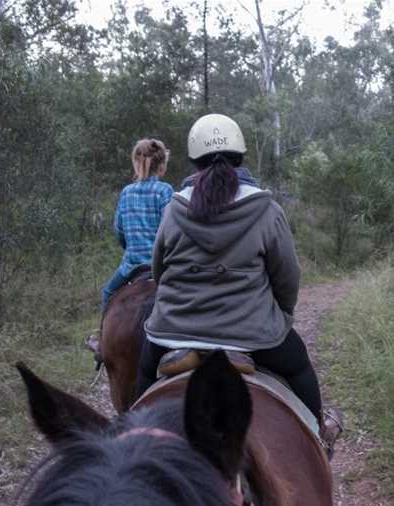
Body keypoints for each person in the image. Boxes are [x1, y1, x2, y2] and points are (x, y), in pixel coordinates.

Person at [136, 114, 340, 445]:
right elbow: (287, 276)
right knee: (299, 366)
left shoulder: (174, 209)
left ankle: (132, 436)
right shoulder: (265, 208)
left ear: (194, 160)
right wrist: (282, 316)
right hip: (253, 334)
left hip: (174, 333)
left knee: (144, 370)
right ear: (240, 156)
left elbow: (159, 270)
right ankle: (319, 436)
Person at [99, 138, 173, 312]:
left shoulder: (126, 192)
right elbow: (172, 230)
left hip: (131, 266)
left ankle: (101, 337)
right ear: (161, 165)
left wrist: (131, 245)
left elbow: (120, 232)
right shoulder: (165, 190)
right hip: (162, 266)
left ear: (136, 163)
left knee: (107, 292)